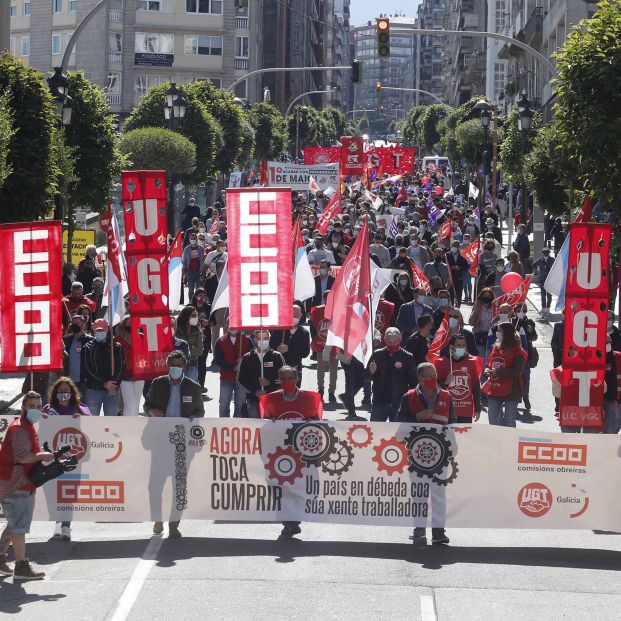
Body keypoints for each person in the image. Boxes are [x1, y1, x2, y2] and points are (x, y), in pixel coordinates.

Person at [145, 351, 204, 539]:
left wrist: (193, 418)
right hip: (161, 442)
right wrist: (151, 411)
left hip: (182, 444)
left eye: (179, 365)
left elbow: (200, 412)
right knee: (155, 485)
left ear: (184, 367)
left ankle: (174, 523)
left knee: (179, 487)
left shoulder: (193, 387)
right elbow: (147, 406)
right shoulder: (157, 383)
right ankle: (157, 519)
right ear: (167, 366)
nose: (175, 368)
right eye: (172, 365)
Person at [396, 363, 453, 546]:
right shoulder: (409, 397)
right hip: (417, 455)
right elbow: (399, 424)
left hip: (440, 454)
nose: (433, 378)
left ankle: (438, 532)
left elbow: (454, 423)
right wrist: (416, 418)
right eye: (429, 376)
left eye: (434, 374)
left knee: (438, 495)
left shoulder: (446, 396)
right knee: (419, 493)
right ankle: (419, 529)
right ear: (420, 379)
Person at [0, 392, 54, 580]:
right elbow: (23, 457)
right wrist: (43, 456)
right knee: (19, 527)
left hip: (17, 483)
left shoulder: (24, 424)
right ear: (23, 407)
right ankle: (21, 567)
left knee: (15, 524)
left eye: (39, 406)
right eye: (32, 406)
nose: (36, 410)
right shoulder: (21, 429)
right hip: (16, 484)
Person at [42, 378, 91, 541]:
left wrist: (82, 419)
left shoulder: (81, 408)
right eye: (60, 390)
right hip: (53, 458)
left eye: (66, 390)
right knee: (52, 491)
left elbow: (93, 425)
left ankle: (66, 526)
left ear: (72, 393)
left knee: (69, 492)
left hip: (73, 460)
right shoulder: (48, 409)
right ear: (55, 393)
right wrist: (41, 419)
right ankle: (57, 522)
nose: (64, 394)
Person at [481, 322, 527, 427]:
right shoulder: (495, 348)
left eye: (500, 331)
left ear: (507, 333)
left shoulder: (517, 350)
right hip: (495, 387)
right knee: (492, 418)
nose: (497, 333)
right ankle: (496, 441)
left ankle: (509, 442)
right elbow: (489, 365)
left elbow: (517, 371)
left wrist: (499, 371)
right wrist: (487, 371)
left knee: (509, 419)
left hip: (512, 389)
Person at [368, 328, 417, 422]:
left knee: (398, 434)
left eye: (395, 342)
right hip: (379, 401)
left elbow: (413, 382)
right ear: (385, 339)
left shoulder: (408, 357)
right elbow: (366, 378)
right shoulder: (377, 355)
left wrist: (411, 401)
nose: (392, 345)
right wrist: (371, 372)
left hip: (399, 403)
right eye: (389, 342)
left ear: (400, 339)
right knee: (376, 432)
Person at [82, 318, 125, 416]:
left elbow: (121, 367)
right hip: (93, 390)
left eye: (102, 330)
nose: (100, 332)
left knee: (111, 423)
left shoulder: (116, 347)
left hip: (112, 391)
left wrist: (114, 385)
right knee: (92, 421)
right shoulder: (87, 347)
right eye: (98, 330)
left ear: (107, 330)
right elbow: (87, 369)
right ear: (94, 330)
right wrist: (103, 384)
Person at [237, 329, 285, 418]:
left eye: (266, 338)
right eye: (260, 338)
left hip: (272, 399)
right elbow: (241, 380)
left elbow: (283, 378)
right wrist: (254, 391)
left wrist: (270, 382)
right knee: (254, 428)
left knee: (271, 427)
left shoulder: (277, 356)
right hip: (253, 400)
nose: (263, 341)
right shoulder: (247, 357)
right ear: (255, 339)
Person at [435, 335, 482, 423]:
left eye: (464, 345)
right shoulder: (441, 363)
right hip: (446, 410)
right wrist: (445, 383)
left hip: (465, 410)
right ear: (451, 347)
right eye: (459, 345)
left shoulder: (472, 362)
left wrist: (477, 409)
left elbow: (476, 387)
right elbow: (434, 388)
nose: (462, 347)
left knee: (464, 436)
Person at [214, 323, 253, 417]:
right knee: (223, 406)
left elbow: (252, 357)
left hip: (242, 380)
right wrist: (232, 367)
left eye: (235, 324)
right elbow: (218, 360)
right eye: (230, 324)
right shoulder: (220, 341)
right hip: (226, 378)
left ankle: (237, 427)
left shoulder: (247, 340)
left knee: (240, 406)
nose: (232, 327)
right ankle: (223, 427)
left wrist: (243, 362)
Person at [269, 305, 311, 382]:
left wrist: (289, 349)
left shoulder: (304, 333)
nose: (294, 318)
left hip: (295, 370)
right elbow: (270, 346)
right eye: (292, 315)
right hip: (278, 369)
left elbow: (305, 353)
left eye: (296, 315)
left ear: (301, 316)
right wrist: (276, 349)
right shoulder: (279, 329)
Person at [114, 315, 144, 416]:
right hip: (124, 376)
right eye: (127, 325)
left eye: (132, 325)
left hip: (139, 375)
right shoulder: (117, 340)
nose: (130, 327)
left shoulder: (142, 337)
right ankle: (127, 426)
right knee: (129, 403)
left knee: (136, 403)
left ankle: (134, 427)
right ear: (122, 326)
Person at [62, 312, 92, 396]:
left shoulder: (90, 340)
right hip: (69, 380)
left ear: (83, 324)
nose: (75, 325)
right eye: (73, 324)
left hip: (84, 380)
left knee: (84, 406)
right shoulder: (66, 339)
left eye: (77, 324)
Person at [175, 306, 203, 384]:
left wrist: (185, 348)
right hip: (178, 365)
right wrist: (191, 347)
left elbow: (200, 351)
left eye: (196, 315)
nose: (196, 317)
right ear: (186, 316)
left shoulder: (197, 331)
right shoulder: (177, 329)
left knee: (190, 390)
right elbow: (175, 348)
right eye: (193, 315)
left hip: (192, 364)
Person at [469, 288, 495, 357]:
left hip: (490, 336)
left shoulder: (494, 308)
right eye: (485, 296)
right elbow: (471, 323)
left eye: (489, 297)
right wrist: (475, 311)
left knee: (489, 356)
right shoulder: (478, 307)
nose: (487, 298)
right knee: (481, 355)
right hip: (479, 334)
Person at [182, 231, 205, 301]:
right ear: (189, 239)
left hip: (199, 272)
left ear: (196, 239)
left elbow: (203, 260)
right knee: (191, 289)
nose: (193, 240)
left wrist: (203, 271)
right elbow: (184, 261)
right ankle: (191, 303)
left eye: (194, 238)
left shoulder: (201, 248)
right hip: (190, 272)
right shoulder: (186, 249)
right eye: (191, 238)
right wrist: (185, 273)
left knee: (199, 290)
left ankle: (199, 302)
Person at [446, 241, 469, 307]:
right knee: (451, 293)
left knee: (459, 293)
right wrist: (450, 267)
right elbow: (444, 264)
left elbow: (466, 266)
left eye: (456, 245)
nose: (455, 247)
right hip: (450, 277)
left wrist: (459, 267)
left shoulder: (462, 255)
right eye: (453, 245)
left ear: (459, 247)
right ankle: (451, 306)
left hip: (459, 277)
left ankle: (458, 307)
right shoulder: (447, 255)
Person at [533, 247, 554, 314]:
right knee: (543, 294)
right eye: (544, 252)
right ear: (543, 253)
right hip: (542, 279)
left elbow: (556, 267)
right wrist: (537, 270)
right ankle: (543, 308)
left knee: (549, 294)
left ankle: (548, 308)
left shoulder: (552, 259)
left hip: (550, 279)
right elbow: (534, 264)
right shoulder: (540, 260)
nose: (546, 253)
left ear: (549, 252)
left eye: (547, 252)